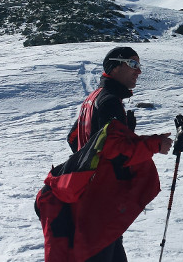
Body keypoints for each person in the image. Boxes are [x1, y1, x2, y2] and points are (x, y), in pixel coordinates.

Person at [68, 46, 174, 261]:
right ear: (115, 67)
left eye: (139, 65)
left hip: (90, 195)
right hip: (101, 201)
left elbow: (74, 138)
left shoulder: (93, 98)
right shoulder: (109, 101)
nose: (139, 71)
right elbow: (115, 151)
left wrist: (125, 134)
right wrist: (155, 145)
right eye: (133, 64)